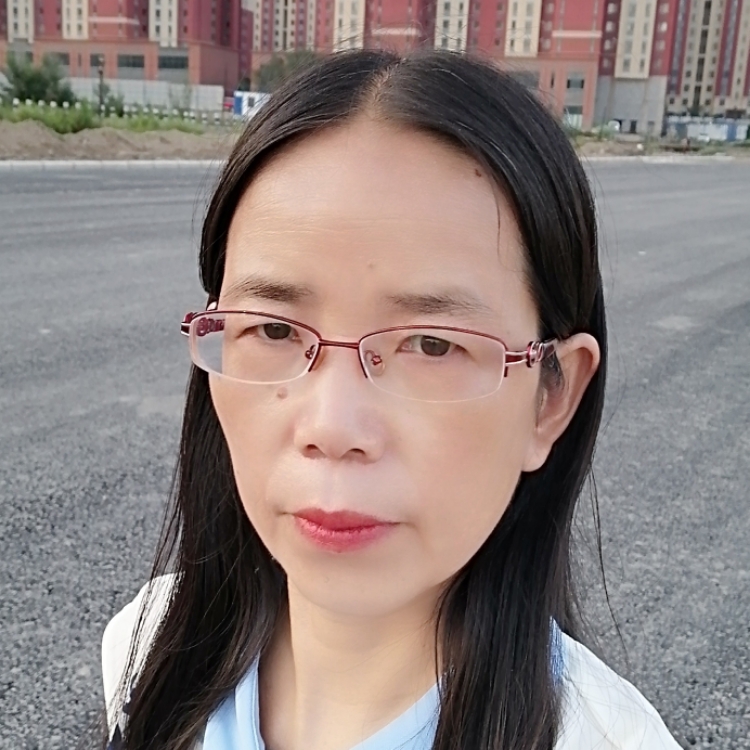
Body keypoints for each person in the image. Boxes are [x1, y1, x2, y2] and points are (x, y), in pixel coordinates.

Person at [100, 50, 681, 750]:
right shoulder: (146, 650)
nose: (332, 426)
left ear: (551, 396)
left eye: (432, 345)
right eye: (274, 330)